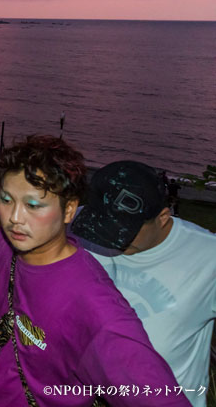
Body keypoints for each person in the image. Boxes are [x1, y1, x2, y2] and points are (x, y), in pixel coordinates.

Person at [0, 136, 187, 407]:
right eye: (7, 200)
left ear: (69, 210)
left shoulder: (93, 304)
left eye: (33, 205)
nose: (15, 218)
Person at [71, 160, 216, 407]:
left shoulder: (208, 257)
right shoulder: (76, 223)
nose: (106, 239)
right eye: (101, 223)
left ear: (162, 218)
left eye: (122, 230)